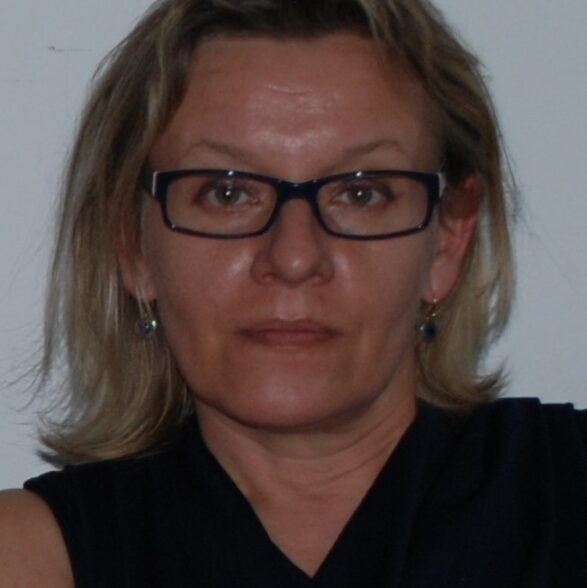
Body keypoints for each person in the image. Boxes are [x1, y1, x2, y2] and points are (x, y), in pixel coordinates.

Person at [1, 0, 586, 586]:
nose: (295, 257)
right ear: (132, 244)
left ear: (448, 241)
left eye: (361, 193)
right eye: (227, 193)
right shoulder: (31, 556)